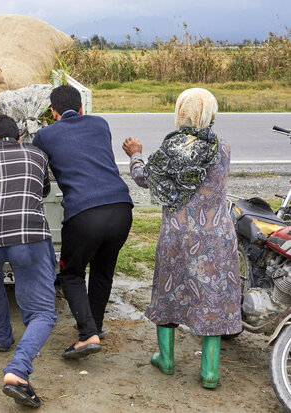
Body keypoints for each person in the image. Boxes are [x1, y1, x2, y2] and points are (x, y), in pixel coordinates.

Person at [122, 88, 241, 389]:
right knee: (213, 298)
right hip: (217, 235)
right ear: (211, 114)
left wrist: (135, 154)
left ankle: (166, 360)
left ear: (180, 113)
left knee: (169, 291)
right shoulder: (223, 148)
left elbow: (143, 177)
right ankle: (210, 373)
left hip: (177, 235)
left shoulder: (171, 151)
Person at [32, 85, 133, 359]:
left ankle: (87, 334)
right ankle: (95, 328)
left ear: (53, 113)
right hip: (121, 208)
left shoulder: (44, 135)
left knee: (72, 274)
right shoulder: (101, 124)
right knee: (103, 270)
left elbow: (38, 168)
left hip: (84, 213)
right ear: (81, 108)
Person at [0, 114, 57, 408]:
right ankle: (18, 370)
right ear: (19, 137)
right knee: (42, 312)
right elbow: (43, 190)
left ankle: (3, 339)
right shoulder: (37, 153)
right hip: (28, 235)